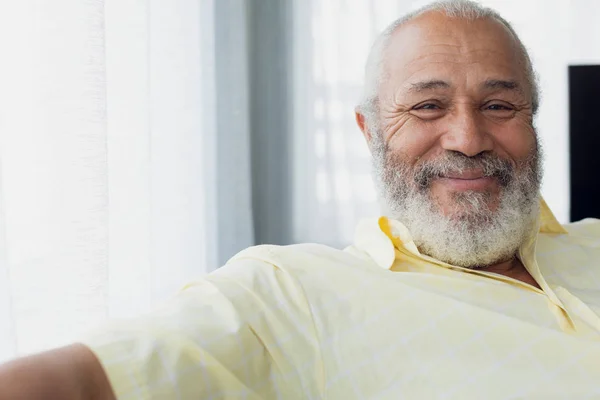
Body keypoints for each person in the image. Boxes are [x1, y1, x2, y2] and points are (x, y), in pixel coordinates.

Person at [2, 0, 600, 398]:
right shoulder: (294, 293)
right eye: (426, 106)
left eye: (499, 106)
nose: (468, 139)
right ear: (370, 132)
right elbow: (89, 377)